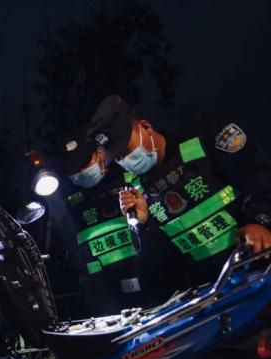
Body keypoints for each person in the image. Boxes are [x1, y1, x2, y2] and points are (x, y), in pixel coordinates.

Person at [70, 95, 271, 283]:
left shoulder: (205, 134)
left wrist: (260, 222)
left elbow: (262, 176)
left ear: (145, 127)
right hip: (225, 288)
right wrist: (144, 224)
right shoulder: (138, 189)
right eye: (119, 157)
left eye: (126, 149)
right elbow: (165, 264)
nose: (125, 159)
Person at [54, 132, 186, 316]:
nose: (80, 172)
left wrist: (144, 222)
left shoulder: (132, 178)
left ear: (100, 154)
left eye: (84, 163)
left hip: (155, 283)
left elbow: (164, 229)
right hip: (107, 302)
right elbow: (73, 258)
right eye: (73, 169)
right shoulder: (70, 203)